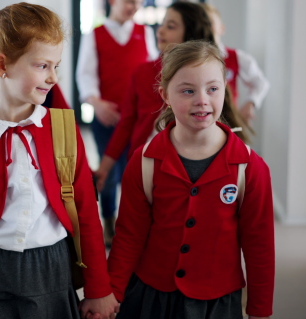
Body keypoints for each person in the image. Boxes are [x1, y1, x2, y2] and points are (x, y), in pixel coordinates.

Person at [0, 3, 118, 319]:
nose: (53, 77)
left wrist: (98, 288)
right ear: (3, 65)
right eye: (42, 65)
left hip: (53, 274)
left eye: (56, 66)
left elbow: (86, 215)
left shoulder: (63, 130)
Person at [102, 41, 275, 319]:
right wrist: (112, 293)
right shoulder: (144, 162)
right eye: (187, 90)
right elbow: (128, 235)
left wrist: (260, 307)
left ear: (226, 91)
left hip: (217, 304)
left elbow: (259, 244)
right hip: (150, 298)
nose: (202, 100)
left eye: (212, 89)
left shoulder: (250, 167)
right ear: (165, 95)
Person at [94, 1, 251, 192]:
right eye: (161, 25)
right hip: (144, 169)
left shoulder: (211, 77)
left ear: (190, 33)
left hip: (190, 172)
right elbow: (126, 124)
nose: (160, 32)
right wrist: (104, 168)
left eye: (171, 26)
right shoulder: (142, 73)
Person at [76, 0, 159, 247]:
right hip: (108, 117)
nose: (134, 6)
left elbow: (154, 71)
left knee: (135, 171)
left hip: (139, 119)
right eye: (129, 1)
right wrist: (97, 103)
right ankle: (109, 221)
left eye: (138, 2)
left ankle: (135, 224)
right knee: (109, 172)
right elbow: (85, 74)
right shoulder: (96, 35)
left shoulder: (144, 32)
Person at [202, 3, 270, 126]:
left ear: (221, 28)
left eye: (209, 23)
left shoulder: (236, 57)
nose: (205, 27)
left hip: (228, 122)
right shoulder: (190, 60)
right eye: (201, 23)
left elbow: (260, 82)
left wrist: (251, 102)